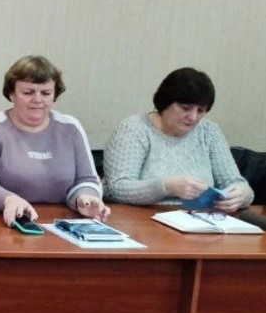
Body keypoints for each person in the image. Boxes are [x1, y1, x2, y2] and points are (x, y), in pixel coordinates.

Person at [0, 55, 109, 226]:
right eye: (28, 92)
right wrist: (9, 200)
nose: (38, 100)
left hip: (62, 223)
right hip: (3, 221)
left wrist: (85, 198)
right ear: (11, 93)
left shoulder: (71, 127)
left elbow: (88, 179)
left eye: (46, 93)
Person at [104, 67, 253, 211]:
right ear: (165, 102)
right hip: (141, 219)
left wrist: (241, 194)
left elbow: (236, 183)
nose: (193, 117)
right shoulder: (135, 129)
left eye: (201, 110)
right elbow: (116, 189)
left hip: (199, 219)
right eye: (185, 108)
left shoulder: (209, 132)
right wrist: (166, 186)